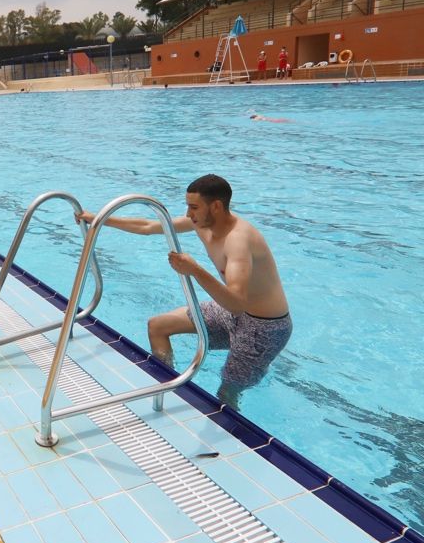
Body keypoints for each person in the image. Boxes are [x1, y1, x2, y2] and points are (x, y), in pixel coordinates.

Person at [77, 174, 291, 409]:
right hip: (231, 314)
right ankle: (167, 390)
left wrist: (195, 270)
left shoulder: (238, 241)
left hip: (263, 329)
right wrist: (99, 219)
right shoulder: (202, 224)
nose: (188, 214)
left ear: (217, 207)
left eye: (194, 207)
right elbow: (149, 226)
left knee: (227, 394)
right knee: (158, 326)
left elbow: (236, 302)